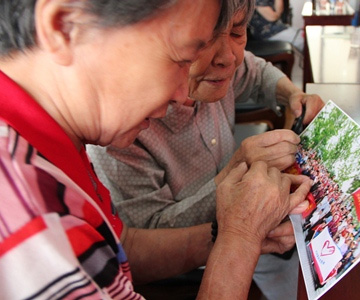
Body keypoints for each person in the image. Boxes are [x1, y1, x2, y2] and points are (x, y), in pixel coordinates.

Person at [0, 0, 313, 299]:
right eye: (182, 59)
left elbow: (121, 247)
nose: (181, 96)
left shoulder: (52, 143)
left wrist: (228, 232)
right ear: (66, 27)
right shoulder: (29, 221)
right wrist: (239, 239)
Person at [87, 1, 324, 299]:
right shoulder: (120, 130)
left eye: (238, 32)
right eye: (201, 42)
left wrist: (292, 95)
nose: (228, 58)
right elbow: (144, 241)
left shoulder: (224, 66)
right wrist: (237, 175)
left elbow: (257, 70)